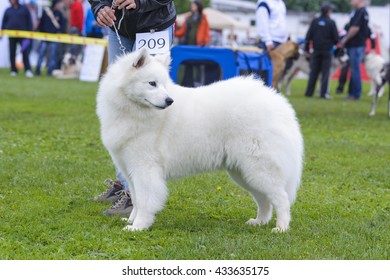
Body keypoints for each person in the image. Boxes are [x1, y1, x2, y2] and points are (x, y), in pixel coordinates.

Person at [89, 0, 176, 216]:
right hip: (119, 26)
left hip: (155, 24)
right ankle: (125, 185)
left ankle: (139, 194)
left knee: (150, 108)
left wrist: (140, 2)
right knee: (118, 106)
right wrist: (99, 7)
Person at [304, 3, 339, 99]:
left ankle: (309, 93)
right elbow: (336, 39)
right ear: (328, 11)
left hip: (316, 51)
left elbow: (308, 36)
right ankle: (323, 94)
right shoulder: (331, 22)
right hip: (327, 51)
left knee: (313, 72)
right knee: (325, 72)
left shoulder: (315, 21)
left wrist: (307, 49)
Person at [339, 0, 370, 100]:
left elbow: (355, 28)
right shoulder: (363, 12)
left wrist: (345, 39)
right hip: (359, 45)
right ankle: (352, 93)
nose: (350, 1)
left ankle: (355, 94)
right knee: (354, 70)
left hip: (356, 45)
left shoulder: (360, 12)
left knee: (355, 70)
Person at [336, 26, 376, 94]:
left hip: (355, 50)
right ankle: (341, 88)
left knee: (353, 71)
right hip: (347, 51)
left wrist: (373, 47)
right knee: (346, 70)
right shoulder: (348, 25)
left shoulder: (365, 27)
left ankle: (352, 91)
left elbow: (372, 36)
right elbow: (341, 35)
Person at [1, 0, 34, 77]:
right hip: (11, 35)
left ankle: (27, 69)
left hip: (23, 35)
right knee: (12, 52)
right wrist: (2, 33)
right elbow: (4, 22)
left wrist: (30, 33)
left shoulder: (24, 9)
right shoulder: (8, 10)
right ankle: (13, 70)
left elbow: (29, 21)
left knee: (25, 52)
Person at [35, 0, 66, 76]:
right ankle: (37, 70)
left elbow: (62, 25)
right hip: (45, 36)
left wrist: (60, 31)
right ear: (55, 4)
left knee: (53, 55)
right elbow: (41, 23)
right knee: (41, 54)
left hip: (54, 37)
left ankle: (50, 71)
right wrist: (41, 32)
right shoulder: (46, 12)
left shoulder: (59, 13)